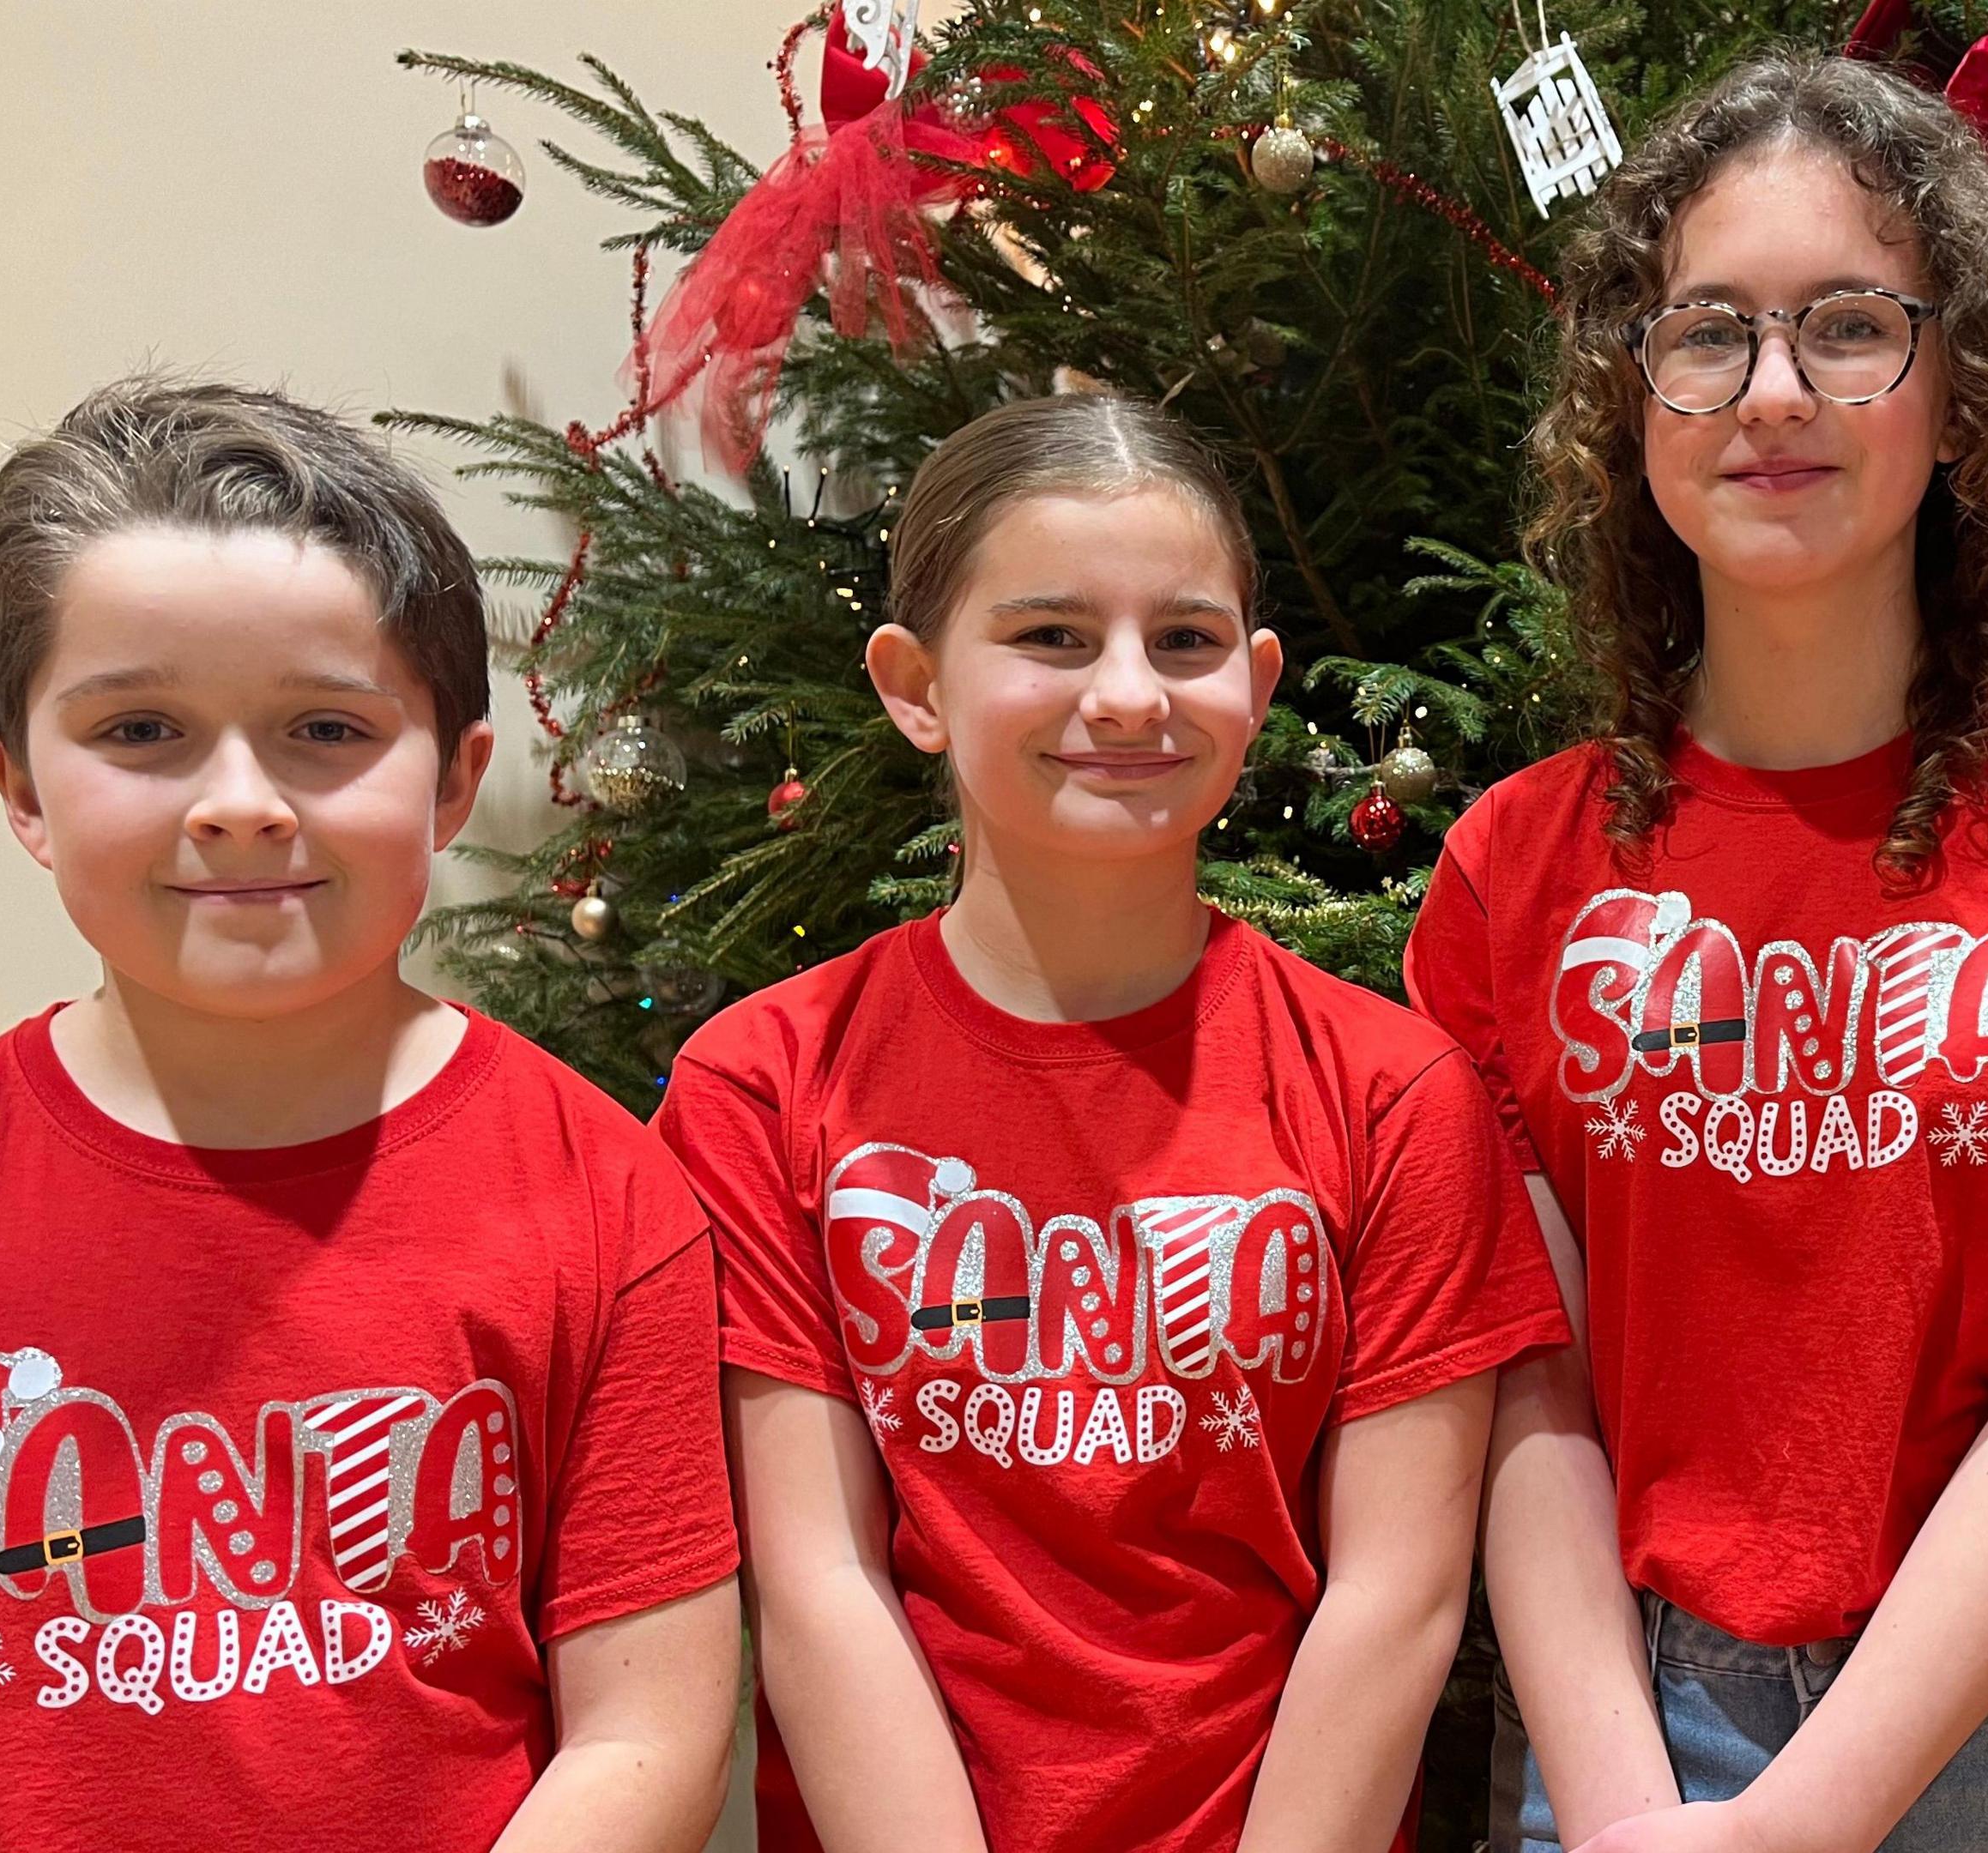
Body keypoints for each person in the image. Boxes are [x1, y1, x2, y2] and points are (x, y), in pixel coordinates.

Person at [1401, 50, 1988, 1853]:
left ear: (1960, 395)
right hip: (1618, 1706)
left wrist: (1807, 1818)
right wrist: (1624, 1799)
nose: (1772, 392)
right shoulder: (1516, 866)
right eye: (1707, 332)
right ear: (1631, 405)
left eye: (1852, 327)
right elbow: (1536, 1396)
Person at [0, 377, 741, 1852]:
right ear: (21, 787)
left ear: (453, 782)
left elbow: (648, 1736)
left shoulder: (606, 1196)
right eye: (142, 730)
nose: (241, 803)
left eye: (325, 728)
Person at [658, 392, 1571, 1853]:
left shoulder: (1394, 1093)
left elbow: (1397, 1597)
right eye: (1053, 638)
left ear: (1258, 682)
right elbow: (817, 1578)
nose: (1133, 695)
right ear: (914, 684)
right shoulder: (762, 1085)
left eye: (1188, 641)